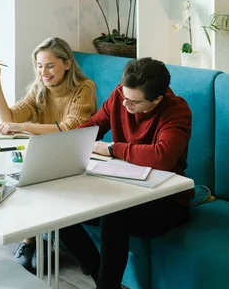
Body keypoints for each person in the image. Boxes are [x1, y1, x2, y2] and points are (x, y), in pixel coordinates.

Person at [58, 57, 194, 289]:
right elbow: (96, 124)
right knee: (59, 209)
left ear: (157, 99)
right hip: (122, 190)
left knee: (114, 217)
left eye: (134, 102)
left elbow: (161, 157)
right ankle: (98, 275)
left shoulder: (177, 111)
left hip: (166, 201)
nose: (125, 105)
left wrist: (112, 148)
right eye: (123, 96)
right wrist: (66, 145)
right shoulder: (121, 95)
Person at [0, 36, 97, 271]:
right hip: (46, 157)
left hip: (73, 159)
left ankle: (33, 241)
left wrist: (24, 127)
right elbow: (9, 119)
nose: (43, 72)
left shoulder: (84, 88)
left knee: (31, 183)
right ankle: (34, 242)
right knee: (14, 177)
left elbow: (69, 128)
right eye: (39, 65)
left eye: (49, 65)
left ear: (67, 64)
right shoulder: (39, 89)